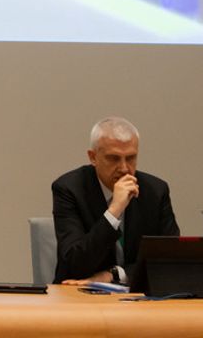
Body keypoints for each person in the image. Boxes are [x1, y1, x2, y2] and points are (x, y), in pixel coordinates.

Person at [51, 116, 178, 284]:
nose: (124, 168)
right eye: (114, 158)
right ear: (93, 157)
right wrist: (114, 211)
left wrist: (114, 275)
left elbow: (170, 260)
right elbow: (74, 263)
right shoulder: (69, 189)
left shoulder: (155, 191)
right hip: (78, 292)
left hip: (138, 294)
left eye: (131, 158)